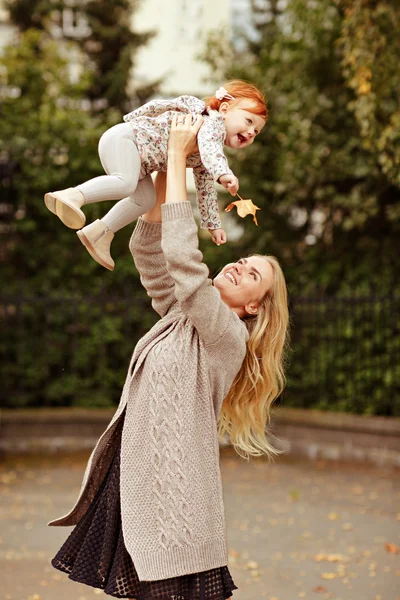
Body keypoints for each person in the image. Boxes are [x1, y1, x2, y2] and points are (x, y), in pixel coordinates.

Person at [48, 114, 289, 600]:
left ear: (252, 307)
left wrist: (180, 157)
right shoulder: (183, 317)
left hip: (174, 498)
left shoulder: (226, 335)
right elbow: (156, 261)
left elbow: (183, 261)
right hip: (140, 478)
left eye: (252, 274)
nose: (241, 265)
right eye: (243, 260)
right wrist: (162, 173)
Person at [43, 80, 267, 270]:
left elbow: (206, 189)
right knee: (125, 184)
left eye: (256, 131)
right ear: (225, 109)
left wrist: (213, 224)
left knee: (145, 199)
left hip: (135, 157)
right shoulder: (210, 122)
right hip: (127, 140)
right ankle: (73, 196)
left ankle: (99, 233)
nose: (250, 132)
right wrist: (223, 173)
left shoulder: (204, 153)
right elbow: (211, 151)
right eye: (248, 121)